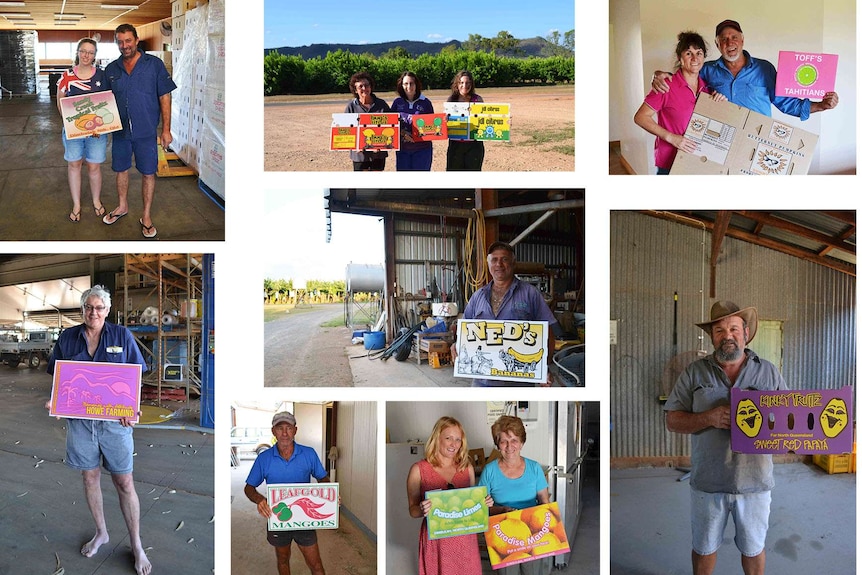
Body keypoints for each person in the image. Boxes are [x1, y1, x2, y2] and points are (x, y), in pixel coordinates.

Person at [663, 301, 787, 575]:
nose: (727, 335)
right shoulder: (694, 372)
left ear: (746, 333)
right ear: (712, 337)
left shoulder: (768, 372)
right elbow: (672, 420)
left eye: (733, 328)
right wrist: (708, 417)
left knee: (754, 549)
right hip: (708, 481)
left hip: (755, 482)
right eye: (719, 330)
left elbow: (789, 418)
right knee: (704, 548)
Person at [46, 285, 151, 575]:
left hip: (115, 424)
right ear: (82, 309)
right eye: (89, 307)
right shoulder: (68, 337)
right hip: (80, 424)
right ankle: (101, 533)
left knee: (124, 483)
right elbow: (58, 376)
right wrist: (55, 401)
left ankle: (137, 544)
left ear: (108, 310)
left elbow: (136, 377)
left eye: (99, 308)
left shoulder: (121, 336)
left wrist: (133, 407)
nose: (94, 312)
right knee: (90, 477)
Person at [651, 19, 839, 120]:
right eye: (723, 39)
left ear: (742, 40)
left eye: (734, 37)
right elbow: (684, 79)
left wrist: (821, 105)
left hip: (758, 139)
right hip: (719, 140)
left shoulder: (765, 69)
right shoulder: (707, 70)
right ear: (718, 45)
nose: (729, 42)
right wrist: (659, 75)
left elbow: (786, 103)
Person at [102, 23, 177, 238]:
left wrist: (166, 130)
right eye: (120, 41)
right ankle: (122, 206)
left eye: (128, 40)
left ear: (136, 40)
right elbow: (103, 102)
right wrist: (98, 124)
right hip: (120, 132)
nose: (124, 45)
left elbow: (165, 96)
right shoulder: (112, 70)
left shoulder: (153, 65)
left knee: (147, 173)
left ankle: (146, 216)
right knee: (121, 170)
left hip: (146, 132)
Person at [455, 241, 559, 387]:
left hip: (519, 383)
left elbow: (547, 333)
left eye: (504, 259)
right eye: (494, 260)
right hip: (482, 382)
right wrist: (456, 345)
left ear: (513, 263)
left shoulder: (530, 294)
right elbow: (464, 333)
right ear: (488, 263)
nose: (499, 264)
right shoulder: (478, 296)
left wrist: (543, 369)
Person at [244, 411, 331, 575]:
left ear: (295, 430)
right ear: (273, 431)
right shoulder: (264, 459)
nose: (284, 433)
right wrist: (259, 500)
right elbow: (249, 487)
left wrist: (329, 495)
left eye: (289, 428)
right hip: (277, 517)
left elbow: (322, 478)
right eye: (280, 428)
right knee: (283, 560)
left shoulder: (308, 453)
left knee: (316, 564)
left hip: (304, 518)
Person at [406, 416, 492, 575]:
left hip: (465, 541)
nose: (454, 444)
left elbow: (473, 504)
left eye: (458, 439)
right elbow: (412, 510)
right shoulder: (419, 470)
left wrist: (484, 503)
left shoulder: (467, 468)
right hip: (437, 543)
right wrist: (422, 509)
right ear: (436, 439)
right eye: (448, 438)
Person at [634, 32, 726, 174]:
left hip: (697, 160)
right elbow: (640, 117)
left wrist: (720, 103)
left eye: (699, 53)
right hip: (670, 162)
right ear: (680, 58)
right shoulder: (666, 85)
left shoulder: (707, 88)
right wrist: (672, 138)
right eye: (689, 53)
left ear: (704, 57)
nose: (695, 58)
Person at [478, 415, 550, 575]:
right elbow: (479, 509)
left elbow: (545, 504)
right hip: (502, 535)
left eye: (514, 440)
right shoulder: (489, 471)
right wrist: (502, 510)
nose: (509, 446)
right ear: (497, 444)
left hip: (531, 535)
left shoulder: (534, 468)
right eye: (503, 441)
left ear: (522, 442)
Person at [56, 38, 108, 221]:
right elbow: (60, 98)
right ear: (78, 52)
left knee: (94, 166)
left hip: (96, 132)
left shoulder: (101, 75)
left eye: (91, 52)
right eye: (83, 51)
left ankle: (96, 200)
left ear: (95, 55)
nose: (86, 55)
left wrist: (103, 125)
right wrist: (68, 122)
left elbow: (107, 102)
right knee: (74, 164)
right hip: (73, 131)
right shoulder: (67, 75)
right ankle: (77, 204)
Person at [344, 71, 391, 171]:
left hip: (378, 154)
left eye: (367, 85)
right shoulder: (351, 107)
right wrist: (355, 145)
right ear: (355, 90)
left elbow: (392, 126)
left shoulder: (381, 104)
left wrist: (383, 144)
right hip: (359, 155)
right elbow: (346, 130)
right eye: (360, 86)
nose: (364, 89)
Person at [390, 71, 435, 171]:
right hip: (403, 150)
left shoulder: (425, 102)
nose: (409, 86)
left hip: (422, 149)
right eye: (406, 83)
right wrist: (403, 133)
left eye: (411, 83)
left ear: (416, 85)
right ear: (401, 85)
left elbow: (432, 125)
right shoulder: (397, 102)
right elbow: (391, 124)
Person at [445, 70, 485, 171]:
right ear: (457, 84)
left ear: (472, 84)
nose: (465, 85)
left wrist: (504, 122)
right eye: (461, 82)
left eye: (468, 83)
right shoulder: (451, 100)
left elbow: (486, 120)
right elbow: (445, 123)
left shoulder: (478, 100)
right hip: (456, 145)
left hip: (474, 145)